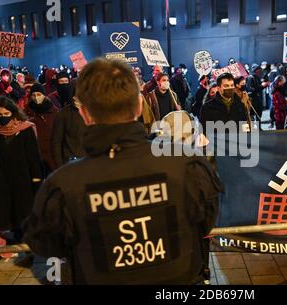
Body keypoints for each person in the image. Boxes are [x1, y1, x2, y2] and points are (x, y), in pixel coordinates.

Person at [23, 58, 222, 285]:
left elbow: (45, 244)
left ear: (85, 114)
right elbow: (206, 221)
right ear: (139, 106)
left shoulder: (62, 185)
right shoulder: (188, 164)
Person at [0, 97, 42, 243]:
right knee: (10, 215)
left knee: (26, 212)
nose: (3, 118)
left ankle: (29, 241)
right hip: (3, 181)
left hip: (25, 179)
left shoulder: (25, 129)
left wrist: (37, 178)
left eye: (6, 114)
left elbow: (33, 157)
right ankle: (18, 239)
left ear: (13, 113)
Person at [25, 83, 59, 174]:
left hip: (52, 154)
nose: (36, 97)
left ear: (44, 95)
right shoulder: (27, 112)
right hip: (36, 154)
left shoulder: (54, 111)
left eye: (39, 94)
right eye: (34, 95)